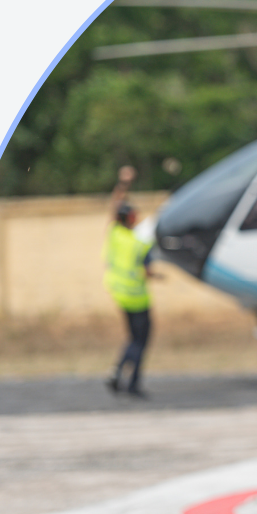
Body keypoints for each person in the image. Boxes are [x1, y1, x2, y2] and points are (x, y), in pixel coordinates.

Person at [103, 166, 158, 397]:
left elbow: (114, 206)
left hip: (119, 293)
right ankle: (125, 378)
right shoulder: (139, 242)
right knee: (141, 341)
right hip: (137, 297)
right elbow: (146, 270)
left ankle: (124, 378)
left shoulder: (115, 234)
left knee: (133, 339)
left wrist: (123, 183)